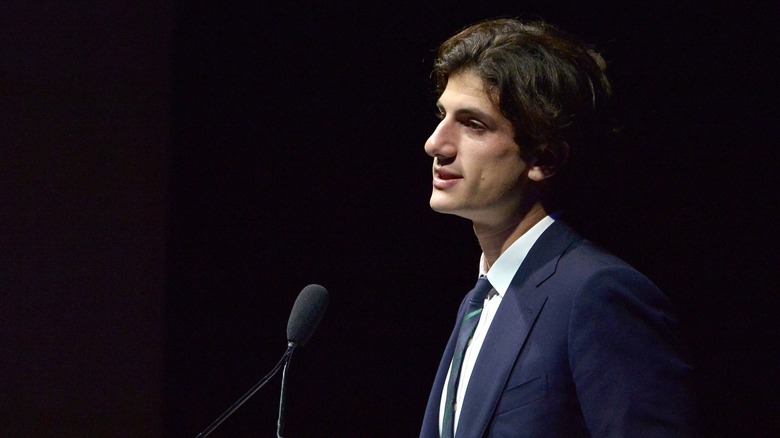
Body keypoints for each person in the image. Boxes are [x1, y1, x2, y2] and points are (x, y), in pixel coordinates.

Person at [419, 19, 697, 437]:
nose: (435, 144)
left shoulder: (599, 293)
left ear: (543, 158)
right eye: (443, 116)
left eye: (473, 124)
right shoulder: (478, 304)